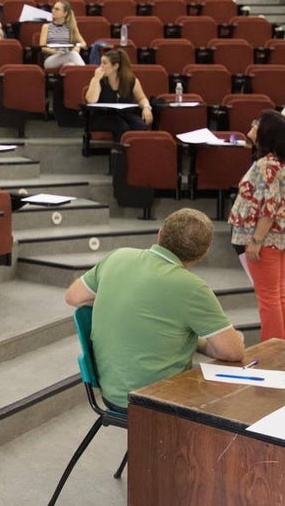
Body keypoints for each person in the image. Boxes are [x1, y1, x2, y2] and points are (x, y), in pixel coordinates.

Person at [64, 208, 245, 411]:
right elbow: (233, 351)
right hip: (156, 401)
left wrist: (123, 299)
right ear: (201, 255)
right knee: (235, 402)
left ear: (160, 234)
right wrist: (204, 343)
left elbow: (73, 296)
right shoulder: (192, 287)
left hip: (111, 393)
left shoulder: (117, 257)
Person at [228, 110, 285, 341]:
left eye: (256, 123)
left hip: (265, 239)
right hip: (277, 238)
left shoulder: (266, 165)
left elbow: (270, 207)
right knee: (279, 295)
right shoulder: (276, 162)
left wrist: (256, 240)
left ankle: (273, 352)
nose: (252, 125)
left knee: (269, 298)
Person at [84, 48, 152, 140]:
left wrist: (146, 107)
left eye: (104, 63)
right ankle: (121, 148)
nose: (100, 67)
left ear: (115, 66)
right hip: (103, 116)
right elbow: (91, 100)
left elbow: (141, 98)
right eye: (101, 63)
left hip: (125, 114)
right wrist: (96, 79)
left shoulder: (131, 81)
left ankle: (138, 148)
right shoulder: (98, 80)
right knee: (121, 126)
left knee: (140, 125)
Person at [39, 0, 86, 69]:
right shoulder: (46, 27)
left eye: (57, 9)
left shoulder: (70, 27)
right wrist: (56, 52)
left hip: (67, 56)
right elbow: (43, 48)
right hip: (51, 59)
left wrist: (77, 46)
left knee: (70, 65)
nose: (53, 11)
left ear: (65, 13)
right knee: (73, 54)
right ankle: (87, 73)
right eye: (53, 8)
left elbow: (83, 43)